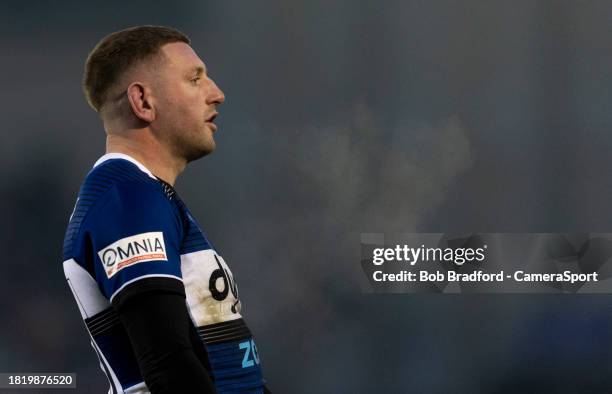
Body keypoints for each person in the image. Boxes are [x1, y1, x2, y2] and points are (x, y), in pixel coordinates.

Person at [62, 25, 269, 394]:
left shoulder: (145, 195)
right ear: (143, 102)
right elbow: (169, 366)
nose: (217, 94)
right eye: (195, 79)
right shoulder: (128, 199)